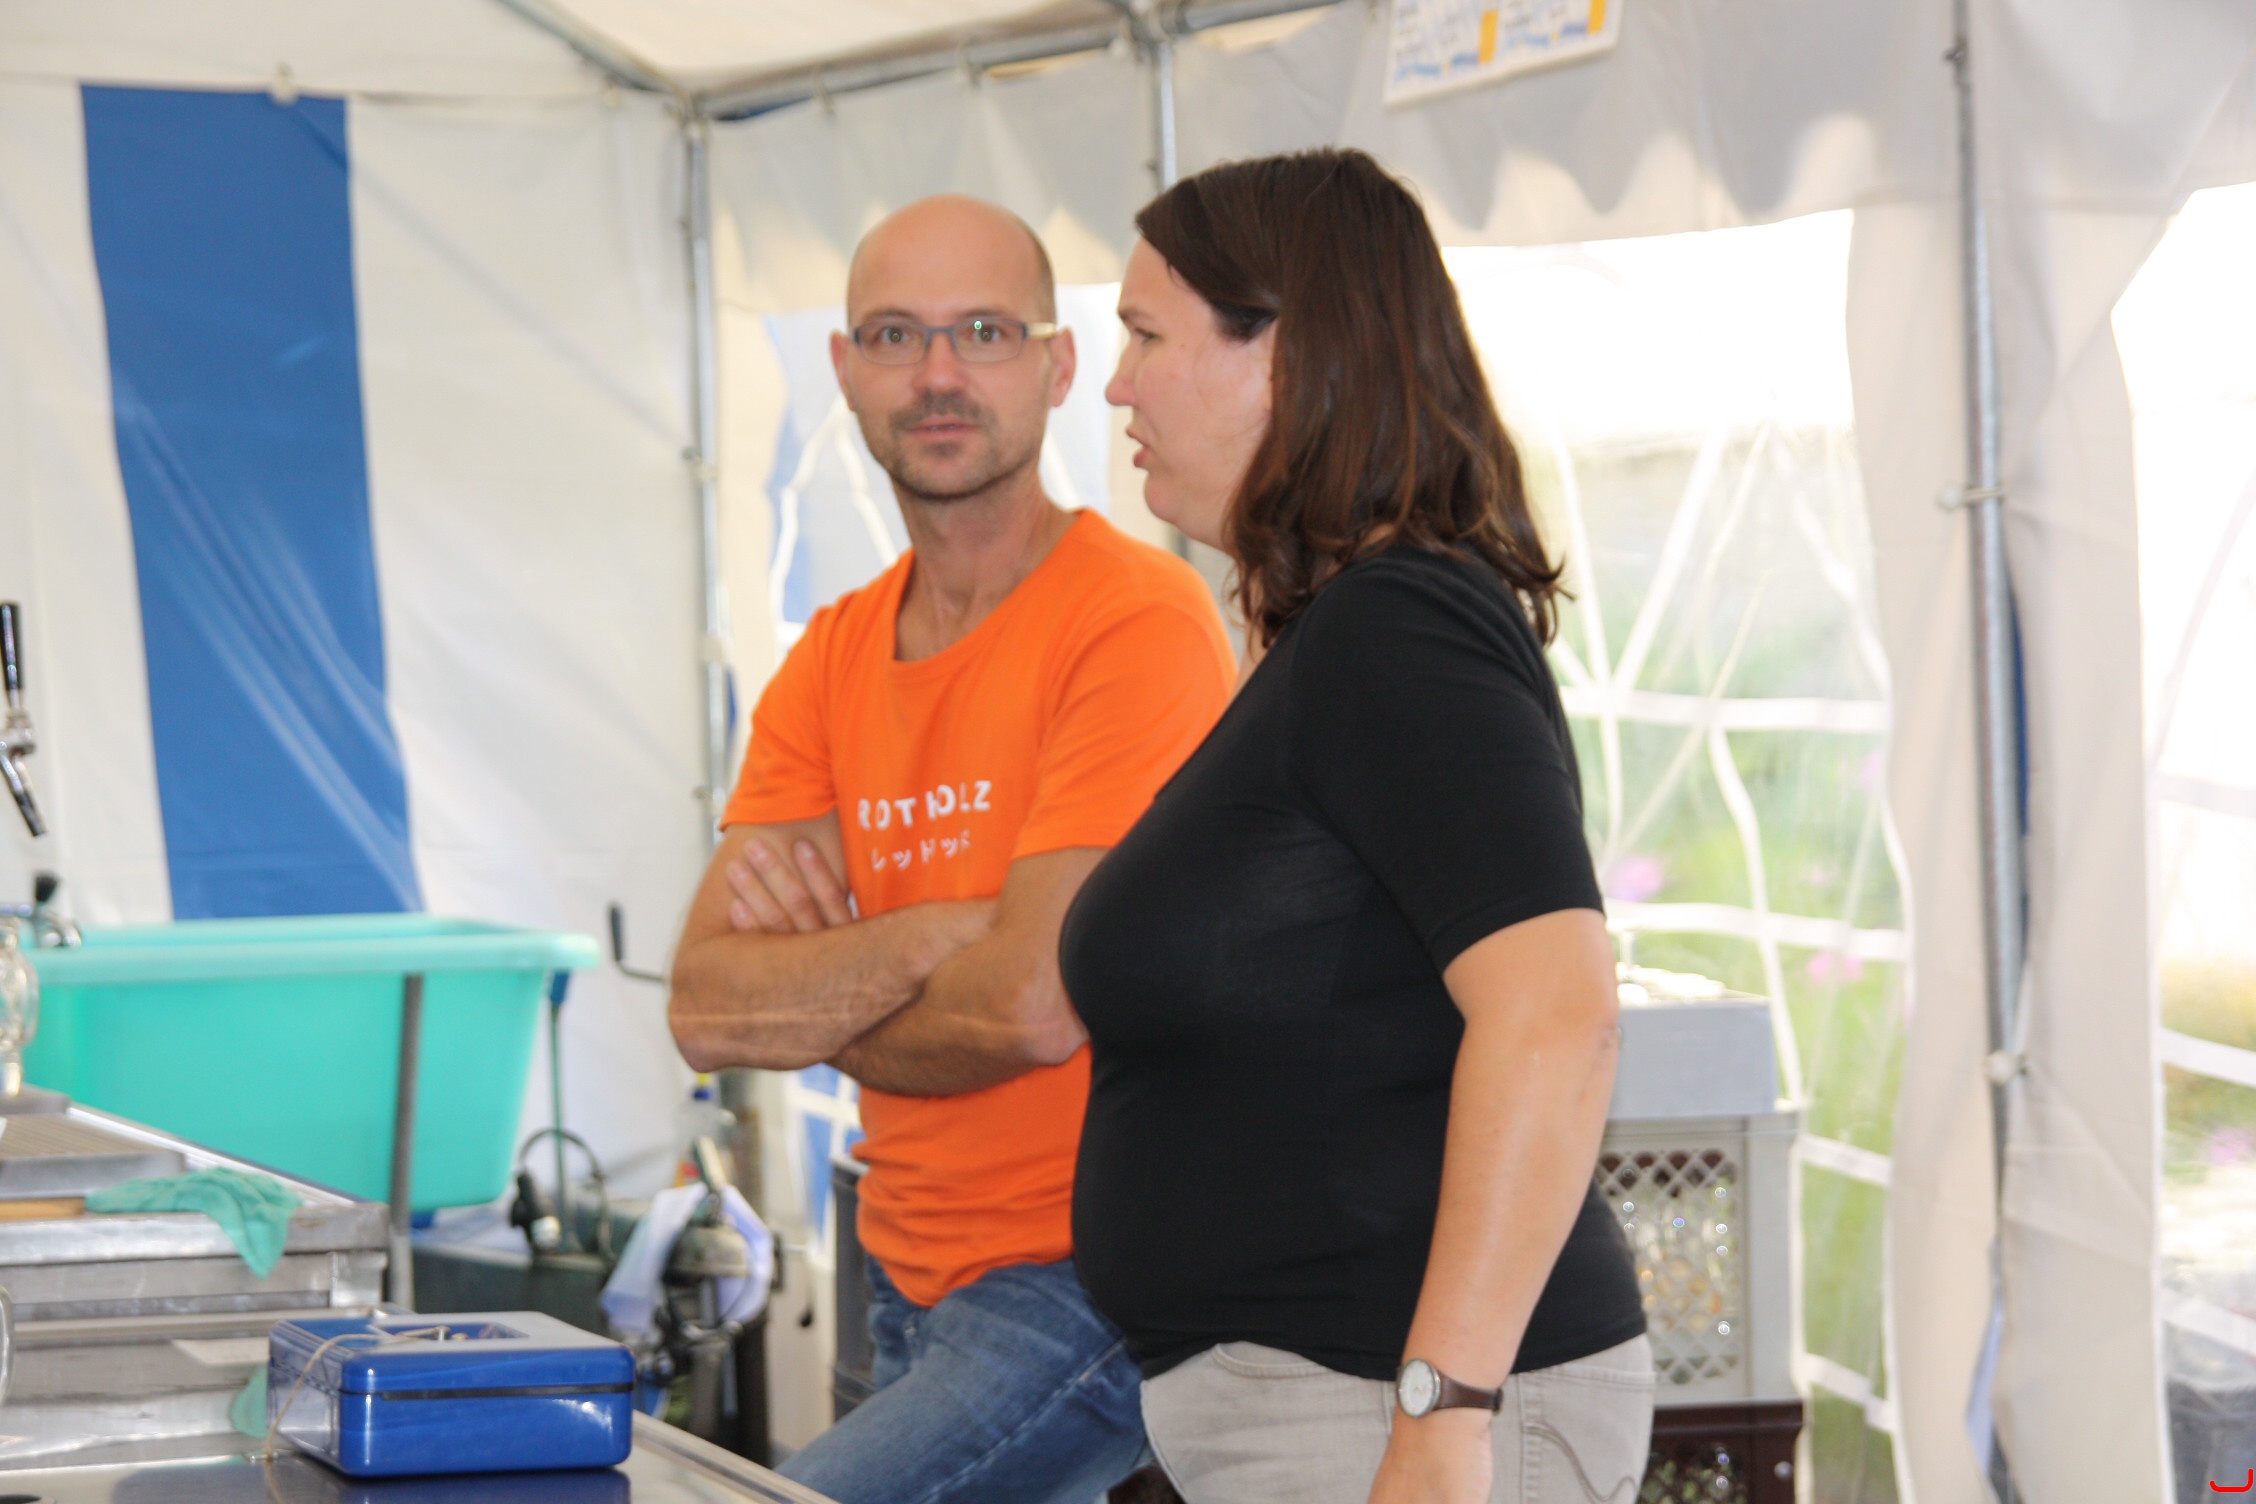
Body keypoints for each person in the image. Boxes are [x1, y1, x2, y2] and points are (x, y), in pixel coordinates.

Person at [1061, 150, 1654, 1504]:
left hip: (1390, 1408)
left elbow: (1557, 1012)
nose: (1117, 385)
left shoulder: (1398, 627)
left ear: (1287, 354)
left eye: (1148, 336)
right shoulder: (1339, 635)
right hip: (1322, 1402)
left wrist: (1441, 1417)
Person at [669, 195, 1236, 1504]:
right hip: (901, 1273)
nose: (937, 374)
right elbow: (707, 1006)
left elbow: (1035, 1006)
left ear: (1057, 365)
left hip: (1091, 1284)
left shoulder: (1133, 623)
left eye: (983, 332)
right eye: (895, 335)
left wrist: (826, 991)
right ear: (844, 370)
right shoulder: (831, 658)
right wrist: (950, 931)